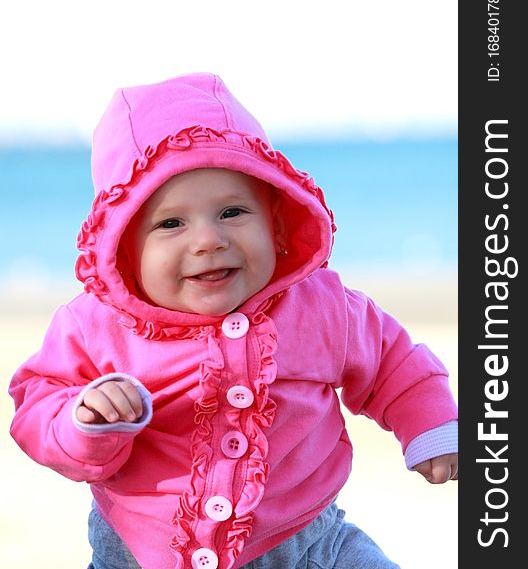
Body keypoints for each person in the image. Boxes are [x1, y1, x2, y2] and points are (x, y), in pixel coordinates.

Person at [8, 72, 458, 569]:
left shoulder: (319, 307)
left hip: (309, 545)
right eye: (171, 223)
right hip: (144, 553)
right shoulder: (95, 325)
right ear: (125, 248)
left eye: (232, 211)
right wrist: (84, 419)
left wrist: (432, 426)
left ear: (276, 219)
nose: (207, 239)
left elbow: (395, 365)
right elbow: (37, 405)